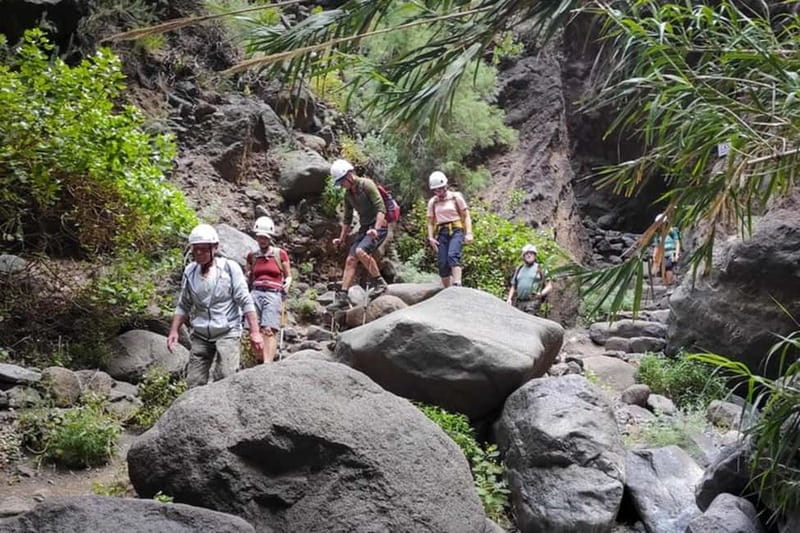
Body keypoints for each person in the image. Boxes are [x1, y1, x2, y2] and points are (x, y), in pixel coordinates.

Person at [167, 223, 263, 388]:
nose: (199, 253)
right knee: (194, 382)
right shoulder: (190, 271)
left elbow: (245, 300)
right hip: (201, 333)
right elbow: (184, 304)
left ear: (215, 248)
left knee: (225, 377)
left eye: (203, 249)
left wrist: (255, 332)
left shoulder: (229, 268)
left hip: (228, 331)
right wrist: (174, 330)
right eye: (195, 249)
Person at [329, 159, 389, 307]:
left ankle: (380, 283)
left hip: (378, 225)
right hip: (364, 227)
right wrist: (341, 239)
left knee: (361, 251)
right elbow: (347, 219)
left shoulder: (366, 184)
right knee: (350, 259)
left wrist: (375, 228)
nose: (341, 186)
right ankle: (343, 296)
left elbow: (381, 208)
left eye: (342, 182)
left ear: (349, 176)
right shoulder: (348, 195)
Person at [245, 216, 292, 364]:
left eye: (265, 237)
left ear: (270, 237)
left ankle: (267, 364)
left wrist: (288, 282)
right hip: (255, 292)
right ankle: (259, 359)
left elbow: (288, 275)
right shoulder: (252, 256)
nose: (262, 240)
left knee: (269, 329)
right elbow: (249, 276)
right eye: (259, 237)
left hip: (273, 293)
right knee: (253, 330)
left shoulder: (279, 254)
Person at [426, 171, 473, 287]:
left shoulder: (455, 197)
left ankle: (457, 283)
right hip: (442, 232)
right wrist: (431, 238)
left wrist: (469, 233)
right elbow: (430, 222)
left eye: (441, 189)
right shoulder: (433, 202)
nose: (439, 192)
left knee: (453, 255)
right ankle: (446, 290)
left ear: (446, 186)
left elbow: (466, 215)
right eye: (436, 190)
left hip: (456, 230)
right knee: (442, 263)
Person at [506, 244, 552, 316]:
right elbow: (513, 286)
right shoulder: (519, 269)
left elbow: (549, 286)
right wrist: (509, 299)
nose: (529, 255)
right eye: (526, 254)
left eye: (531, 253)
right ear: (523, 256)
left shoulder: (540, 268)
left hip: (533, 302)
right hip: (519, 303)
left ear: (535, 256)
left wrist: (541, 294)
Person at [651, 213, 681, 287]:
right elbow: (657, 246)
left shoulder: (672, 231)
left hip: (671, 252)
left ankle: (670, 285)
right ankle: (667, 285)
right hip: (663, 254)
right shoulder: (658, 235)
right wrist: (654, 256)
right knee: (663, 269)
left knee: (669, 268)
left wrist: (677, 254)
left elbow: (677, 242)